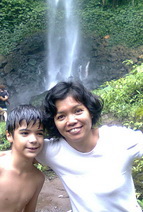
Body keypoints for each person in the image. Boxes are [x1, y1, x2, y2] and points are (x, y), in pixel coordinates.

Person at [36, 80, 143, 212]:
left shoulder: (119, 139)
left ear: (90, 112)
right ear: (54, 122)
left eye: (78, 111)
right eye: (61, 116)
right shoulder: (52, 150)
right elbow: (16, 156)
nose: (71, 121)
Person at [0, 104, 45, 212]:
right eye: (25, 133)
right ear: (9, 135)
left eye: (39, 133)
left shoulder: (38, 178)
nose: (34, 139)